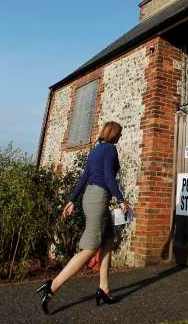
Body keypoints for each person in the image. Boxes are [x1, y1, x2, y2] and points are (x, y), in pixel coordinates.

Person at [35, 120, 127, 314]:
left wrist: (71, 200)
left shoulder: (95, 150)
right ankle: (52, 287)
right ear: (114, 134)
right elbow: (109, 176)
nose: (121, 136)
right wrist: (120, 199)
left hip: (90, 197)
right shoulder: (110, 149)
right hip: (98, 199)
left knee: (108, 240)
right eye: (120, 133)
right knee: (89, 248)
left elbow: (84, 177)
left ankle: (104, 288)